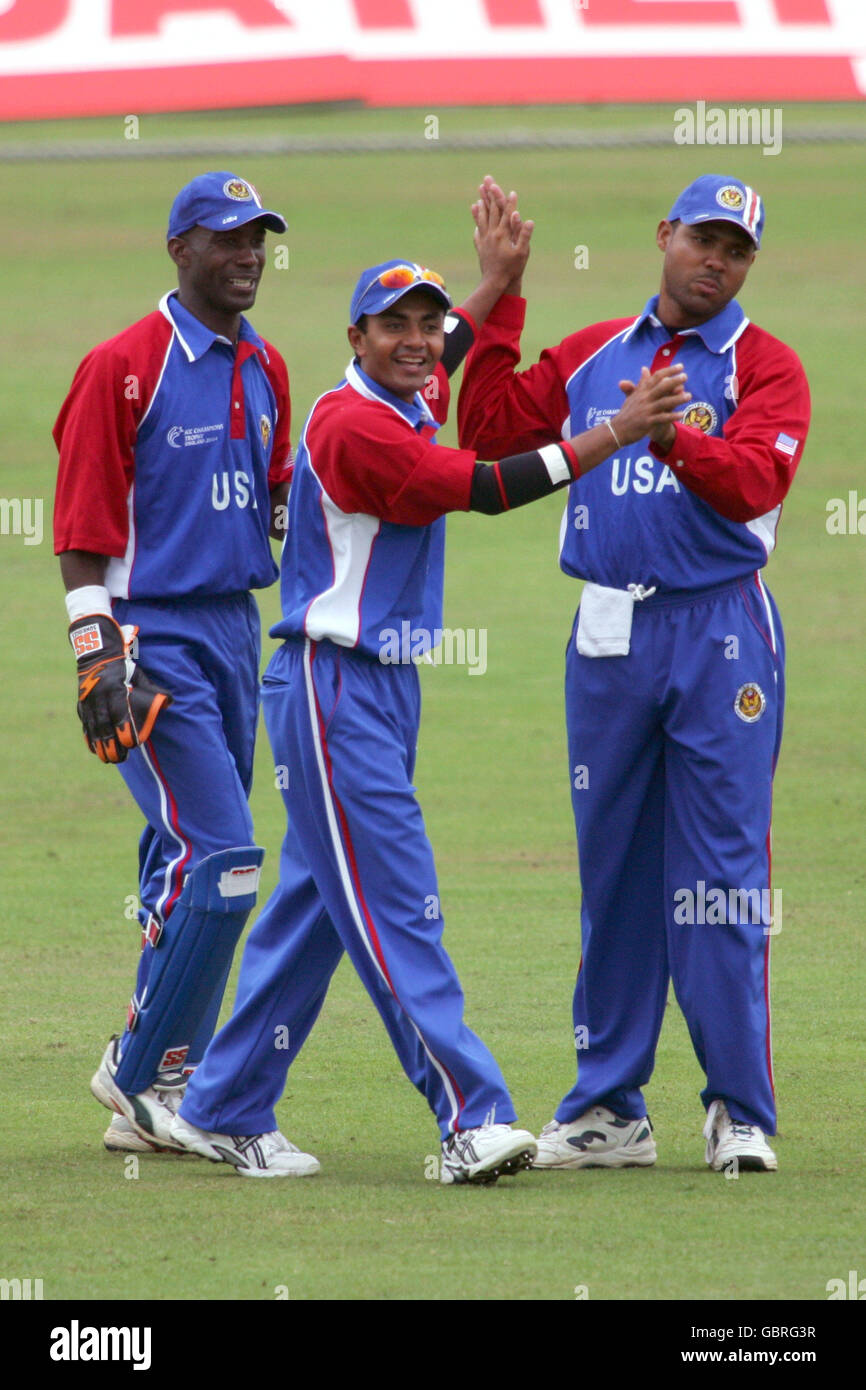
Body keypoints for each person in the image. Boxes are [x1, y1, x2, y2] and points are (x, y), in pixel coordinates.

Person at [167, 190, 689, 1182]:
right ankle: (468, 1115)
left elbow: (441, 376)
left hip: (376, 689)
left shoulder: (398, 396)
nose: (418, 343)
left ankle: (223, 1101)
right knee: (395, 903)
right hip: (333, 689)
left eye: (428, 324)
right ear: (352, 335)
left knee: (321, 905)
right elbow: (487, 485)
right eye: (392, 325)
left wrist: (497, 287)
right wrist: (614, 431)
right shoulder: (355, 430)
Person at [458, 173, 811, 1174]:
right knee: (613, 871)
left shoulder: (765, 367)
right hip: (607, 631)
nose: (714, 261)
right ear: (662, 234)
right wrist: (501, 291)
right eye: (701, 238)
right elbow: (486, 438)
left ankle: (737, 1108)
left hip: (719, 633)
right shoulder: (590, 353)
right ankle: (608, 1107)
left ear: (747, 265)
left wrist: (670, 436)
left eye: (734, 250)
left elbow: (753, 482)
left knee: (721, 877)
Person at [53, 172, 293, 1156]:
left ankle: (157, 1068)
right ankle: (154, 1076)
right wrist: (94, 653)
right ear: (178, 249)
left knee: (179, 856)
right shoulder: (122, 365)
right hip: (152, 640)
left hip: (238, 628)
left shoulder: (266, 364)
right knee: (225, 856)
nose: (248, 255)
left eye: (258, 240)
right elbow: (79, 528)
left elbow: (277, 497)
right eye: (228, 239)